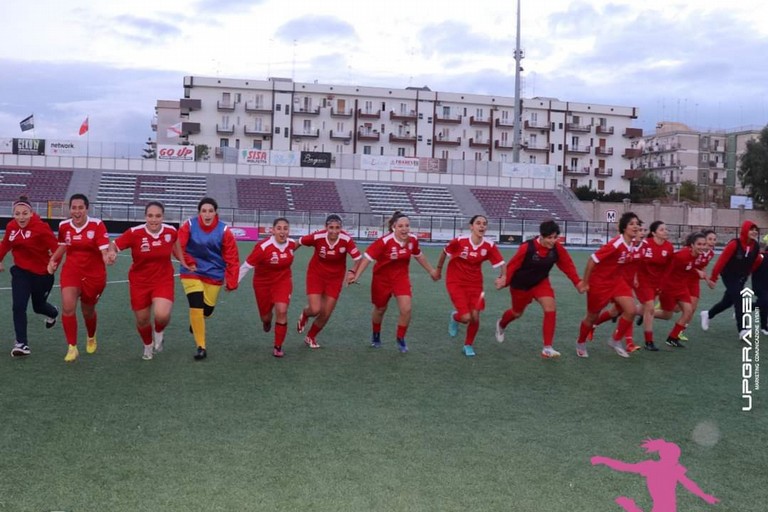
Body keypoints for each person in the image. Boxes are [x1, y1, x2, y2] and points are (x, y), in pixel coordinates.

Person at [347, 211, 439, 353]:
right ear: (394, 227)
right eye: (401, 226)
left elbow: (418, 255)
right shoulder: (384, 242)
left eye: (407, 226)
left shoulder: (412, 240)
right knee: (380, 309)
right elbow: (366, 258)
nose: (404, 229)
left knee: (406, 309)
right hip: (381, 279)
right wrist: (356, 275)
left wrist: (431, 271)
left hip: (400, 278)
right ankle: (376, 335)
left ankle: (400, 338)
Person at [108, 201, 187, 360]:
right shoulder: (134, 233)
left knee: (162, 315)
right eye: (150, 216)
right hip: (139, 282)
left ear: (163, 217)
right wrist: (112, 253)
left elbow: (176, 244)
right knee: (143, 320)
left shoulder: (170, 231)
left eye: (158, 216)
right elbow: (114, 244)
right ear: (145, 216)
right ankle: (147, 345)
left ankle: (159, 331)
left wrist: (183, 261)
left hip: (162, 279)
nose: (154, 219)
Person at [494, 219, 584, 358]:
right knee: (517, 313)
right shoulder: (527, 248)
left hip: (540, 282)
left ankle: (547, 348)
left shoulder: (557, 248)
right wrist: (503, 280)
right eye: (549, 238)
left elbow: (567, 265)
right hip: (521, 285)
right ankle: (501, 323)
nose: (553, 241)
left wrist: (577, 282)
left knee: (550, 308)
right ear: (541, 236)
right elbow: (512, 266)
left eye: (555, 237)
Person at [47, 194, 111, 362]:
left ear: (86, 209)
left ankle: (91, 336)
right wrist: (53, 260)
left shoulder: (97, 225)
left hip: (94, 275)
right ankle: (72, 347)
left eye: (80, 208)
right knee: (68, 307)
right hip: (72, 272)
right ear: (70, 209)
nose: (77, 211)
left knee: (87, 311)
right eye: (74, 208)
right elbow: (62, 246)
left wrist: (107, 257)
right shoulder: (64, 226)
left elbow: (104, 250)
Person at [178, 197, 240, 360]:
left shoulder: (224, 230)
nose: (207, 214)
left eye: (210, 211)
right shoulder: (189, 225)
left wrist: (232, 280)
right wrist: (189, 262)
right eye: (204, 211)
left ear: (215, 213)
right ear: (199, 213)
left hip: (214, 274)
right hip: (191, 271)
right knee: (196, 304)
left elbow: (232, 256)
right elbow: (178, 247)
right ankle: (201, 347)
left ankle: (196, 321)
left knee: (207, 310)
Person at [435, 215, 505, 357]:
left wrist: (502, 277)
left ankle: (468, 345)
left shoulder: (489, 245)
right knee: (466, 317)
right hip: (456, 281)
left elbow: (502, 264)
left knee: (475, 317)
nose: (482, 226)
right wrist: (438, 269)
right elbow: (444, 252)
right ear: (471, 226)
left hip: (476, 284)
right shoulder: (460, 241)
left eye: (484, 224)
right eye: (478, 223)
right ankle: (455, 317)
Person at [575, 211, 642, 358]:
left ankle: (615, 340)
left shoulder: (631, 244)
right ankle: (580, 342)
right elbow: (592, 260)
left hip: (617, 282)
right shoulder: (616, 244)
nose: (635, 227)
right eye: (632, 224)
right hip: (599, 283)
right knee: (592, 317)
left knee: (631, 310)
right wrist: (586, 282)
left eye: (637, 224)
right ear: (624, 228)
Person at [0, 196, 59, 357]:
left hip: (42, 274)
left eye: (24, 213)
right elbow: (5, 244)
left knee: (38, 306)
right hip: (21, 272)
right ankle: (21, 344)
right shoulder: (11, 227)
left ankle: (53, 312)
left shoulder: (41, 228)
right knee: (18, 306)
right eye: (17, 213)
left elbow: (56, 248)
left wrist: (53, 263)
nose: (21, 217)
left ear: (31, 213)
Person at [296, 214, 362, 349]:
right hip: (316, 275)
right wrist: (285, 254)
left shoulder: (346, 239)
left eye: (337, 228)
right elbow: (299, 242)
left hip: (335, 279)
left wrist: (352, 271)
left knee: (326, 313)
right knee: (315, 309)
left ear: (341, 228)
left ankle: (311, 337)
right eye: (331, 227)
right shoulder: (317, 236)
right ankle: (305, 313)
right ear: (326, 227)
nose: (334, 231)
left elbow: (358, 259)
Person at [239, 217, 298, 358]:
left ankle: (278, 346)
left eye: (285, 228)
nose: (282, 231)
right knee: (265, 317)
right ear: (272, 230)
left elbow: (300, 243)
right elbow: (247, 265)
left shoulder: (291, 244)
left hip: (283, 282)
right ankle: (267, 322)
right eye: (279, 228)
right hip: (262, 284)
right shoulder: (262, 247)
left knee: (282, 311)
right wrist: (234, 282)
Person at [700, 220, 762, 337]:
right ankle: (742, 328)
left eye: (755, 230)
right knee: (739, 298)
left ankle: (708, 314)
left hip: (741, 277)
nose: (754, 232)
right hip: (729, 275)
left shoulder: (756, 246)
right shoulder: (734, 244)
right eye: (751, 229)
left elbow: (756, 261)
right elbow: (721, 261)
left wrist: (748, 273)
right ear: (745, 230)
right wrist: (713, 278)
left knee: (727, 302)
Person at [656, 232, 711, 348]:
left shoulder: (698, 255)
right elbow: (668, 268)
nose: (702, 247)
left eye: (704, 244)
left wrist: (699, 273)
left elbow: (688, 267)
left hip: (681, 287)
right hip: (669, 287)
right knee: (667, 315)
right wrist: (660, 286)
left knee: (688, 311)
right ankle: (642, 312)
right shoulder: (682, 255)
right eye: (699, 244)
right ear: (692, 245)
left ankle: (672, 338)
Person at [635, 221, 674, 351]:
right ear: (654, 233)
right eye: (662, 229)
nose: (666, 231)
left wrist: (663, 283)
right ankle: (649, 342)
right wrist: (634, 278)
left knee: (644, 310)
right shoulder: (645, 244)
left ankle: (623, 309)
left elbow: (668, 268)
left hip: (657, 282)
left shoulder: (669, 247)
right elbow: (636, 260)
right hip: (643, 280)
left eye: (666, 229)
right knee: (650, 308)